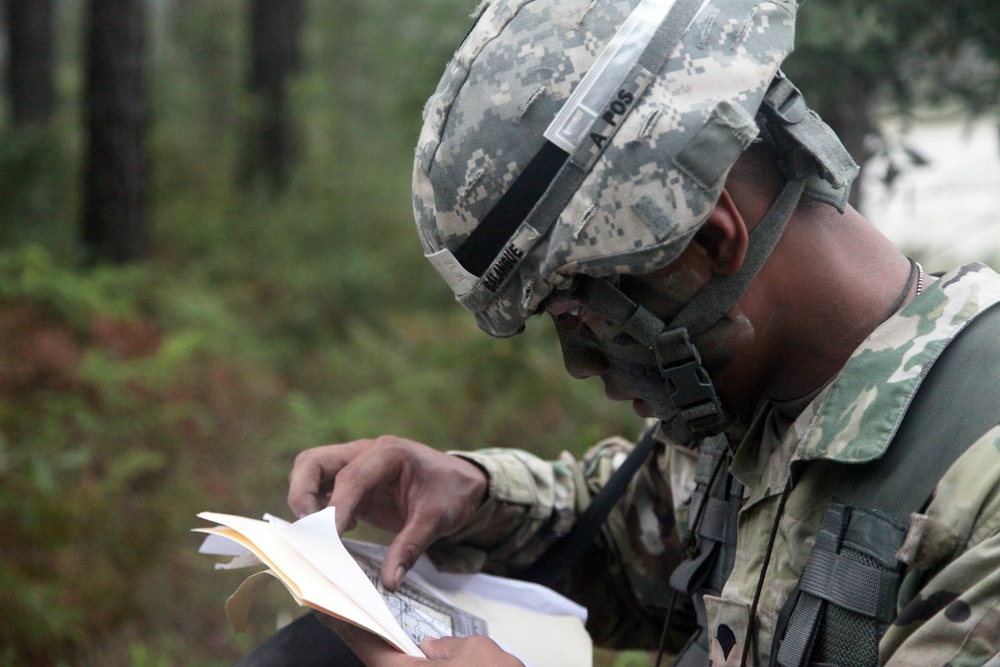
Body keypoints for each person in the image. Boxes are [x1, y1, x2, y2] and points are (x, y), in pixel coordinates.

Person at [240, 0, 1000, 664]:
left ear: (709, 240)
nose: (579, 364)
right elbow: (637, 541)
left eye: (584, 317)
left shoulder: (978, 491)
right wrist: (473, 493)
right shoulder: (759, 412)